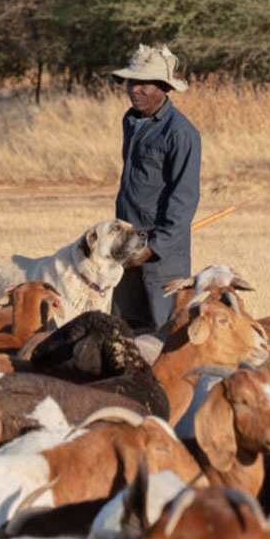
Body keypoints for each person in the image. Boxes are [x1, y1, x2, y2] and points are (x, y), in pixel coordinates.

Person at [110, 44, 201, 329]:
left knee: (164, 331)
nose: (135, 89)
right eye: (132, 82)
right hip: (127, 246)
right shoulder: (130, 120)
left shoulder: (181, 132)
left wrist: (153, 247)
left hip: (162, 257)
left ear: (165, 88)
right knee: (123, 329)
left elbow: (184, 200)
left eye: (144, 83)